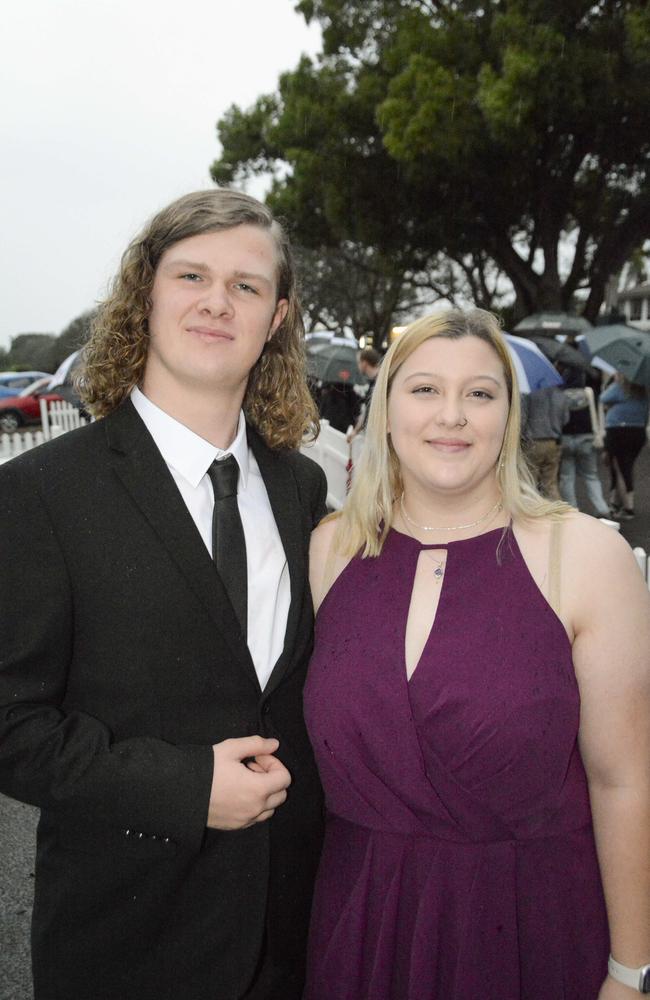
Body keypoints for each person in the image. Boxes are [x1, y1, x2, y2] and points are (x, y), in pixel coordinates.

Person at [0, 189, 327, 1000]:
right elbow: (9, 724)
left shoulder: (301, 487)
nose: (218, 302)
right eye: (191, 276)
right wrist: (184, 789)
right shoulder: (39, 494)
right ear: (146, 292)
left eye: (246, 286)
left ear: (277, 317)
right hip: (127, 946)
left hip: (294, 935)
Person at [304, 309, 650, 999]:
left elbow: (626, 780)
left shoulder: (584, 555)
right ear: (386, 407)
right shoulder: (331, 548)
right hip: (362, 927)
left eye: (481, 394)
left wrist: (631, 970)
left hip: (533, 929)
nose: (452, 416)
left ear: (509, 414)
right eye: (426, 389)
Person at [558, 366, 612, 518]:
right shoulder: (589, 393)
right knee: (591, 475)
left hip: (566, 439)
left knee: (567, 477)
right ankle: (602, 509)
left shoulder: (561, 395)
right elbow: (598, 413)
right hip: (587, 438)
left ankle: (572, 511)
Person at [601, 373, 649, 520]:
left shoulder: (620, 387)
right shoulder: (644, 390)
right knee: (627, 466)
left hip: (617, 430)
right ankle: (617, 502)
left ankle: (628, 507)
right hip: (638, 431)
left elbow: (602, 398)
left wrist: (615, 381)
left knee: (620, 468)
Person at [520, 381, 570, 499]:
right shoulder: (560, 394)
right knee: (550, 484)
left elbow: (523, 418)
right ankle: (557, 515)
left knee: (530, 484)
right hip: (553, 442)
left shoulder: (528, 394)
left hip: (533, 442)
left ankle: (531, 515)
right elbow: (566, 419)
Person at [346, 346, 382, 442]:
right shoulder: (374, 381)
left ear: (365, 363)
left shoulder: (382, 381)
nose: (358, 366)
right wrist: (355, 431)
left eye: (359, 362)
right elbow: (367, 411)